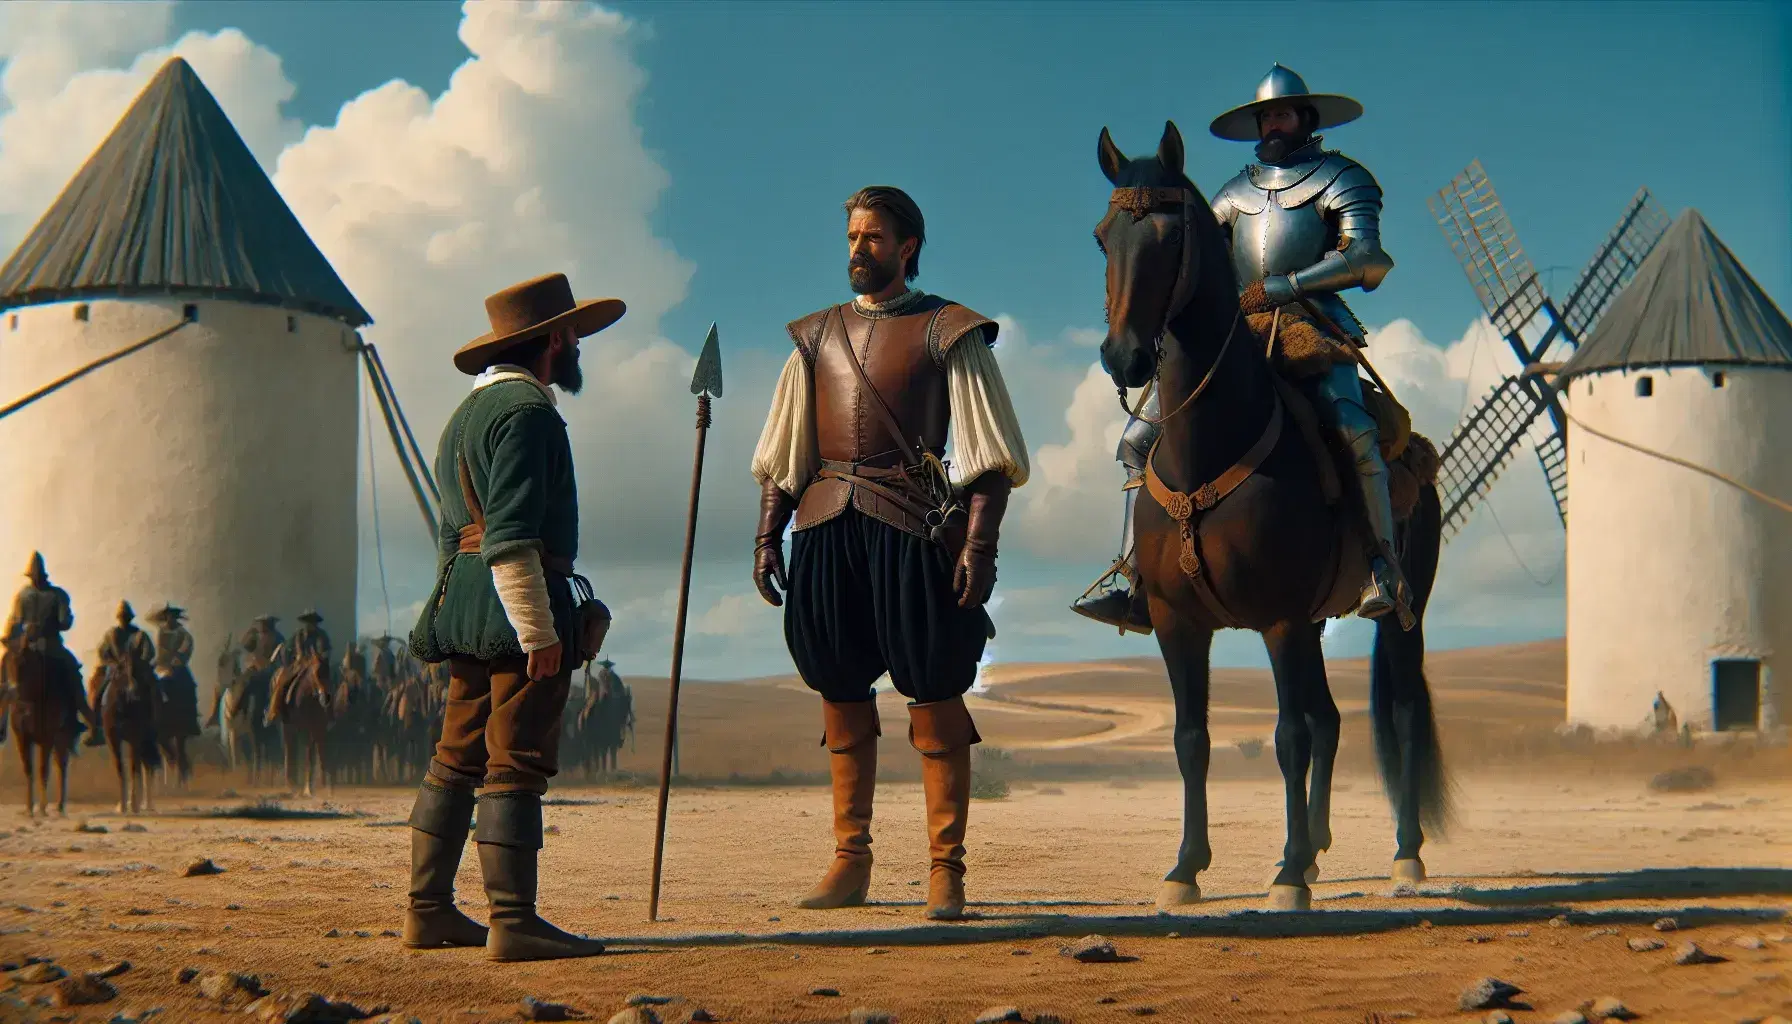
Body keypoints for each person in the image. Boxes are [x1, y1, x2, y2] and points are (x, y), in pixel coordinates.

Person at [751, 185, 1029, 921]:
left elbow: (989, 454)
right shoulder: (813, 337)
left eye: (872, 238)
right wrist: (766, 534)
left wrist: (980, 545)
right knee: (839, 692)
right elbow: (785, 450)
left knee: (935, 691)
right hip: (823, 526)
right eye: (851, 236)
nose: (856, 250)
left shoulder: (949, 331)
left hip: (911, 527)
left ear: (907, 247)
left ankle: (946, 871)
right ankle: (850, 862)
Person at [1072, 64, 1405, 633]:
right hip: (1237, 328)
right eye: (1265, 115)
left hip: (1314, 324)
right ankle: (1131, 575)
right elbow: (1200, 262)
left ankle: (1382, 566)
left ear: (1304, 118)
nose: (1273, 122)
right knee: (1136, 440)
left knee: (1354, 429)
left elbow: (1368, 260)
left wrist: (1288, 286)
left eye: (1282, 113)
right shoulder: (1232, 194)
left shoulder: (1343, 178)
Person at [405, 272, 623, 961]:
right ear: (554, 340)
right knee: (515, 760)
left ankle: (428, 911)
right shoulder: (528, 414)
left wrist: (447, 611)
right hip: (515, 606)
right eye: (575, 336)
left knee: (455, 757)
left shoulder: (462, 419)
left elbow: (451, 538)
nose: (579, 347)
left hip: (464, 601)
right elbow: (509, 535)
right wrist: (539, 631)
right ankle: (514, 921)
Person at [4, 552, 97, 742]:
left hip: (51, 645)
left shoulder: (57, 595)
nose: (35, 578)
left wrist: (53, 624)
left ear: (43, 575)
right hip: (26, 646)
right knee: (5, 669)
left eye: (37, 575)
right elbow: (14, 620)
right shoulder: (22, 595)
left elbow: (64, 622)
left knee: (72, 671)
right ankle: (2, 722)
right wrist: (9, 636)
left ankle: (82, 719)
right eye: (33, 576)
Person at [91, 601, 156, 724]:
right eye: (122, 616)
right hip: (116, 668)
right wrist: (112, 663)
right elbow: (103, 652)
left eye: (126, 616)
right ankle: (95, 727)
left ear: (130, 617)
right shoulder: (111, 634)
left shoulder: (140, 634)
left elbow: (149, 653)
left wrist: (139, 662)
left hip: (137, 668)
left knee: (154, 688)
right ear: (118, 618)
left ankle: (157, 721)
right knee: (100, 693)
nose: (124, 619)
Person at [267, 609, 332, 722]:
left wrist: (320, 658)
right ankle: (273, 711)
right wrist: (295, 659)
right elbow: (286, 650)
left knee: (331, 683)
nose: (310, 624)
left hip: (318, 665)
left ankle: (331, 713)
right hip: (299, 665)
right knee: (281, 681)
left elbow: (326, 652)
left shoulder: (322, 635)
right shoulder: (298, 635)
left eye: (312, 621)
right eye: (308, 621)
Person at [149, 604, 201, 740]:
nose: (169, 619)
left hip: (178, 666)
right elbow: (159, 651)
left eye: (172, 616)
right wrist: (154, 663)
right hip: (162, 667)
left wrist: (177, 659)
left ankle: (192, 721)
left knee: (190, 686)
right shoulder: (161, 631)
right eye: (167, 616)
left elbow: (186, 649)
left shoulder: (183, 633)